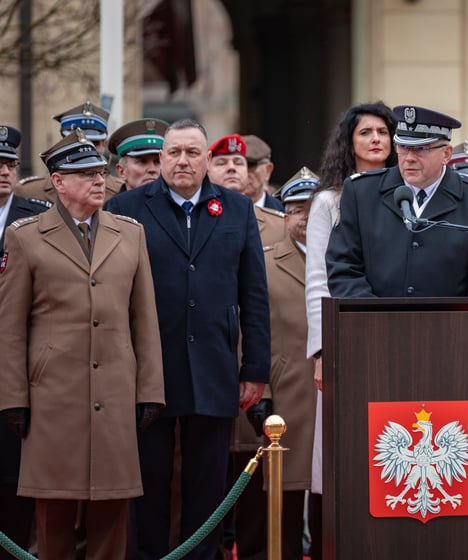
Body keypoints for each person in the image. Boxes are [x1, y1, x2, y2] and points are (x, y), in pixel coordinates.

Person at [105, 118, 271, 560]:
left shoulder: (236, 209)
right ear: (160, 159)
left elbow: (254, 295)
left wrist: (255, 370)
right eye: (174, 152)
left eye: (192, 152)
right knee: (149, 487)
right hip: (148, 372)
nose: (182, 161)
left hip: (214, 370)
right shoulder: (127, 208)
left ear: (206, 161)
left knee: (208, 486)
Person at [0, 129, 165, 560]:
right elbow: (11, 327)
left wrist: (150, 390)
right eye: (85, 173)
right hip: (51, 397)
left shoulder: (130, 233)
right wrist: (12, 398)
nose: (99, 180)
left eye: (100, 171)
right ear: (58, 182)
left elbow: (144, 320)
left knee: (112, 512)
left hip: (114, 394)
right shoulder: (25, 236)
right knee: (53, 516)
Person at [306, 101, 397, 559]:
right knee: (348, 451)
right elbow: (319, 278)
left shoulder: (405, 192)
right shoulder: (329, 200)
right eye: (366, 132)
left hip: (400, 338)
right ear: (350, 141)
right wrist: (323, 348)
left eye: (384, 131)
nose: (376, 139)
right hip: (347, 338)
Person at [225, 168, 318, 560]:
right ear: (284, 216)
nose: (307, 218)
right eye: (298, 210)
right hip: (287, 398)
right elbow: (250, 329)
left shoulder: (347, 257)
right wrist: (260, 387)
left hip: (333, 398)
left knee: (335, 493)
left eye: (315, 209)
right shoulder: (263, 262)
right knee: (283, 497)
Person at [326, 104, 468, 298]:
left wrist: (457, 325)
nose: (409, 158)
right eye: (403, 147)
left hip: (448, 327)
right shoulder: (361, 192)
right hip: (373, 324)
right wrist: (376, 317)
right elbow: (343, 267)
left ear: (446, 154)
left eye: (421, 149)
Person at [0, 125, 49, 560]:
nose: (3, 172)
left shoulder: (37, 219)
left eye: (9, 165)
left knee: (13, 476)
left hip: (19, 369)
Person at [16, 101, 123, 203]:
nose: (89, 150)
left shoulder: (123, 192)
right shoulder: (28, 192)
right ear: (62, 142)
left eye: (94, 143)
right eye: (77, 143)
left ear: (104, 144)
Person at [108, 118, 168, 191]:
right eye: (142, 162)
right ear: (122, 171)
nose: (152, 169)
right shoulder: (113, 202)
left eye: (158, 162)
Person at [242, 134, 284, 211]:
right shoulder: (218, 209)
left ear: (268, 170)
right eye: (238, 164)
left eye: (250, 165)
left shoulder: (282, 212)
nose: (243, 172)